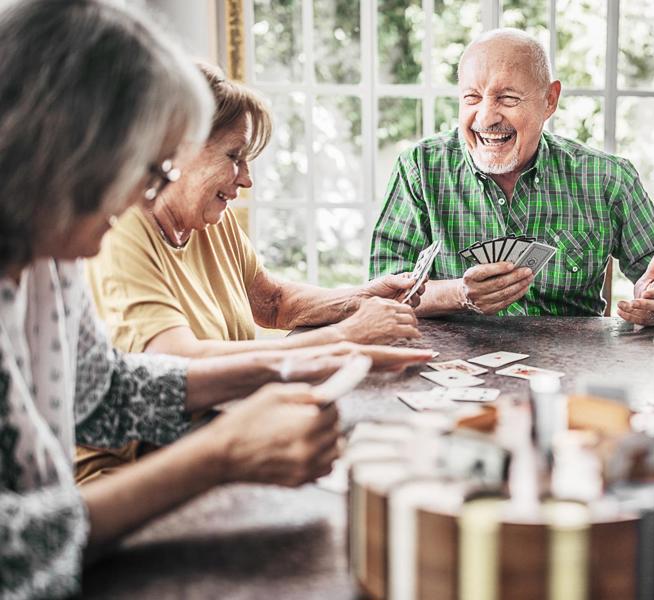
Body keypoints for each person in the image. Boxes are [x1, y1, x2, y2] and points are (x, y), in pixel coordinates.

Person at [0, 1, 423, 595]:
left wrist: (298, 361)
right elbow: (12, 550)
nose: (145, 196)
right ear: (68, 146)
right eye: (147, 168)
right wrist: (220, 455)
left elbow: (104, 393)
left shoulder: (54, 256)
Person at [87, 62, 424, 360]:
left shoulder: (211, 220)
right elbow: (176, 358)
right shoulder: (121, 230)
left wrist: (360, 298)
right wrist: (344, 335)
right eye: (234, 157)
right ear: (177, 148)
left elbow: (273, 302)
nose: (247, 180)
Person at [369, 28, 654, 324]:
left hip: (571, 368)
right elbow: (384, 293)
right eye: (472, 98)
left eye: (507, 98)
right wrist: (459, 294)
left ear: (550, 100)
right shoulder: (419, 168)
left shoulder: (606, 177)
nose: (487, 117)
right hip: (453, 370)